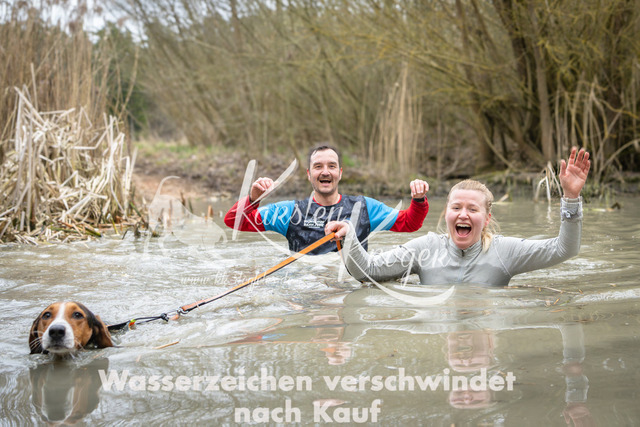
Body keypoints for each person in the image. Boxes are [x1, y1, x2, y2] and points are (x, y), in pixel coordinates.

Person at [326, 147, 590, 286]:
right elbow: (368, 271)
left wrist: (571, 198)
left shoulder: (506, 252)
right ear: (446, 213)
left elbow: (564, 249)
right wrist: (348, 237)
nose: (463, 214)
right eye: (456, 208)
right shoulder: (425, 249)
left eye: (473, 210)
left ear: (487, 218)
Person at [224, 145, 429, 255]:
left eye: (331, 166)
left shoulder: (365, 207)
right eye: (318, 167)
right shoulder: (289, 212)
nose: (325, 172)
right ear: (309, 174)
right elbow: (233, 221)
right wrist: (253, 198)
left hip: (347, 288)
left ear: (340, 173)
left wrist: (418, 200)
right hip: (305, 290)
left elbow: (410, 224)